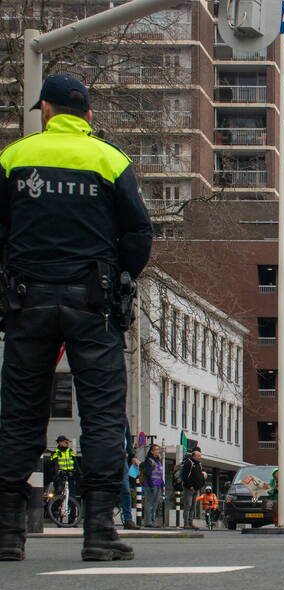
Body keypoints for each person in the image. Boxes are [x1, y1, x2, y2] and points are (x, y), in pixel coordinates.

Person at [0, 74, 152, 562]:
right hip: (93, 302)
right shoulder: (110, 160)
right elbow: (138, 233)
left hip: (27, 301)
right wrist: (119, 276)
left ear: (45, 110)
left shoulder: (14, 158)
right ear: (87, 116)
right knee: (104, 415)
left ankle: (6, 532)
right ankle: (100, 530)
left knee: (20, 413)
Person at [180, 447, 205, 529]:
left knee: (193, 506)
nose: (200, 457)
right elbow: (184, 476)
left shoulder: (199, 464)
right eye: (198, 456)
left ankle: (191, 522)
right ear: (194, 456)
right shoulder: (189, 463)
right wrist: (190, 485)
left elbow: (200, 475)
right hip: (189, 488)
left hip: (197, 488)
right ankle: (186, 523)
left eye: (200, 456)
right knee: (188, 505)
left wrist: (201, 484)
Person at [140, 444, 164, 528]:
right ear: (152, 451)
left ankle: (153, 521)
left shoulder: (158, 461)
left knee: (155, 505)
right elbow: (148, 473)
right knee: (149, 504)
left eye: (159, 449)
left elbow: (160, 474)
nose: (158, 451)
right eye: (157, 450)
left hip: (158, 485)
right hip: (151, 485)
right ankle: (148, 522)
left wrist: (162, 484)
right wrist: (151, 485)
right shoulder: (149, 461)